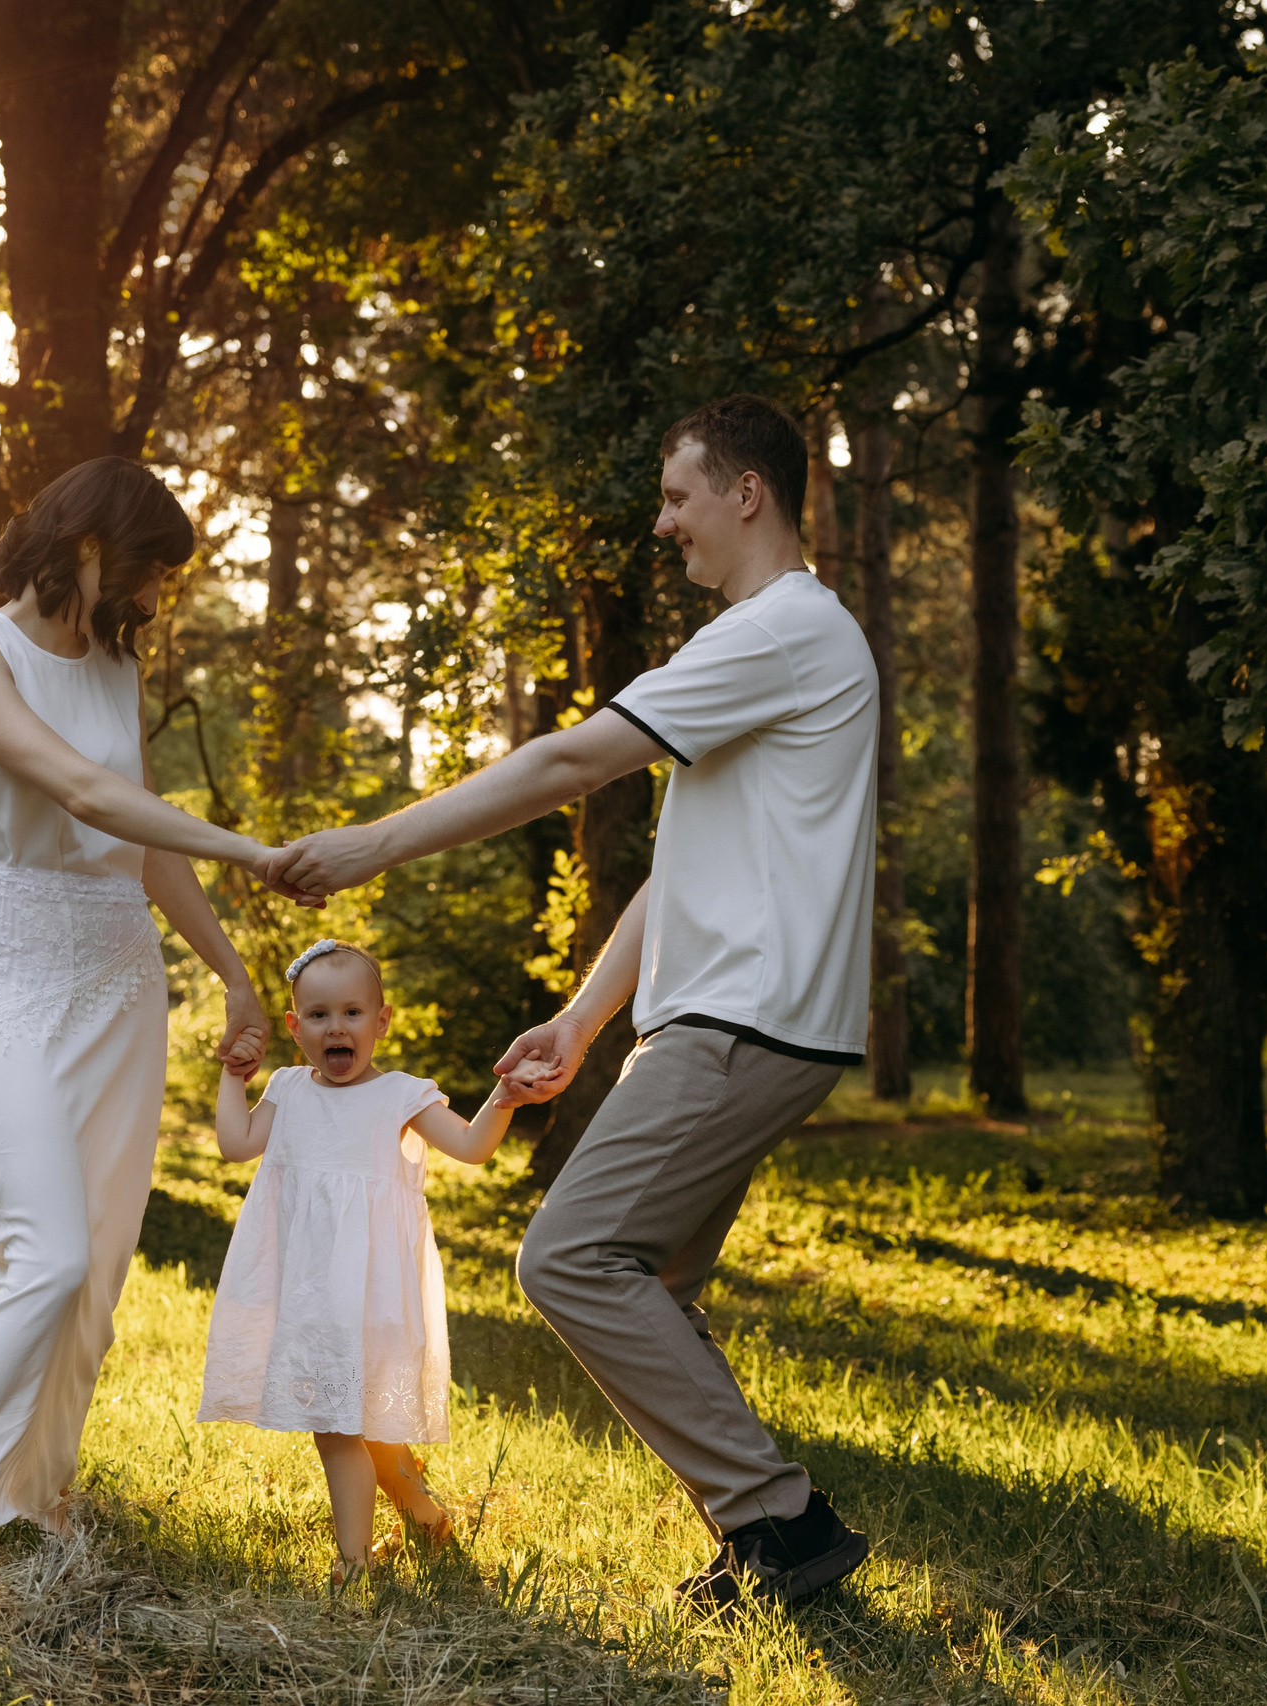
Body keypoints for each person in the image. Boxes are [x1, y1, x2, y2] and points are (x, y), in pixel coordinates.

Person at [263, 396, 880, 1608]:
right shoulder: (771, 645)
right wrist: (587, 1016)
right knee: (643, 1281)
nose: (665, 525)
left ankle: (783, 1523)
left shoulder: (780, 629)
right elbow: (678, 872)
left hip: (742, 1023)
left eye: (677, 496)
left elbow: (566, 761)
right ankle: (765, 1535)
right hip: (724, 1017)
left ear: (746, 491)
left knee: (571, 1256)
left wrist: (376, 845)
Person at [0, 457, 276, 1575]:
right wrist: (254, 851)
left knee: (99, 1267)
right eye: (153, 566)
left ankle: (36, 1493)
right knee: (47, 1254)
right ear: (94, 545)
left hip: (117, 974)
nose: (157, 596)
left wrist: (233, 971)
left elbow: (143, 840)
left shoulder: (114, 663)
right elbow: (83, 792)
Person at [196, 938, 544, 1585]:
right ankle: (430, 1521)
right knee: (365, 1425)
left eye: (354, 1013)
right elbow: (235, 1142)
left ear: (382, 1021)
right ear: (297, 1028)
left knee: (337, 1427)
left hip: (372, 1295)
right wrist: (231, 1077)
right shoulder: (290, 1089)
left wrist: (504, 1101)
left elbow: (470, 1148)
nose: (338, 1027)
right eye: (321, 1015)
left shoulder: (402, 1097)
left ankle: (352, 1565)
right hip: (309, 1294)